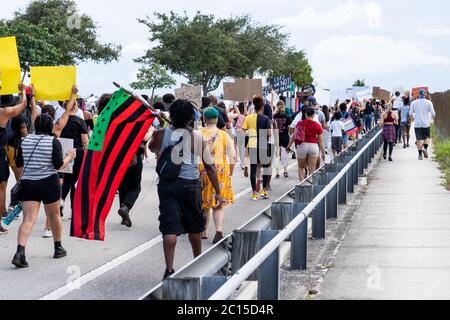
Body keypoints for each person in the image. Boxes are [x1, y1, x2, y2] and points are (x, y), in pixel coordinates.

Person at [149, 99, 225, 279]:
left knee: (169, 227)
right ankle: (197, 262)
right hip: (190, 185)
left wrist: (160, 127)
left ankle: (169, 269)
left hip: (167, 185)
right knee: (194, 226)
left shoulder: (162, 133)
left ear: (171, 115)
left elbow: (152, 148)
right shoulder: (197, 137)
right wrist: (218, 191)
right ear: (191, 116)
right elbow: (210, 166)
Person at [12, 114, 76, 268]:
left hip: (28, 183)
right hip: (49, 183)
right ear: (50, 127)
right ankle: (58, 248)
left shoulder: (25, 140)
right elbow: (58, 165)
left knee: (28, 219)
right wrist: (69, 156)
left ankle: (20, 252)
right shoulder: (53, 142)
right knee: (54, 216)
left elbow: (19, 162)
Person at [199, 107, 235, 244]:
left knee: (204, 202)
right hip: (221, 170)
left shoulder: (199, 133)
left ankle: (204, 231)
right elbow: (233, 156)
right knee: (218, 204)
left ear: (205, 118)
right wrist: (230, 172)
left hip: (203, 169)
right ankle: (219, 230)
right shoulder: (224, 135)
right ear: (217, 119)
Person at [0, 85, 28, 234]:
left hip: (4, 149)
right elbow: (23, 105)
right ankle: (3, 213)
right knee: (2, 185)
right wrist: (23, 91)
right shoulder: (5, 112)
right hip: (4, 150)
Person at [60, 97, 89, 222]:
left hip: (64, 152)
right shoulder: (80, 121)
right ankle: (73, 210)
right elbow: (85, 141)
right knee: (75, 183)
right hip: (77, 153)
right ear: (75, 107)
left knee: (66, 180)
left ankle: (61, 200)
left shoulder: (61, 120)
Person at [242, 96, 272, 201]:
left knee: (253, 169)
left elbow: (243, 130)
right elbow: (269, 133)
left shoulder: (248, 117)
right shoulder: (266, 119)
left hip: (252, 143)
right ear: (262, 107)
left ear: (254, 106)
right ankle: (264, 190)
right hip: (263, 144)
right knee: (266, 167)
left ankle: (254, 193)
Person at [287, 107, 325, 182]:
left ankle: (302, 185)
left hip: (302, 146)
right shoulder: (317, 125)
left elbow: (293, 136)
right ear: (314, 115)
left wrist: (288, 146)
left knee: (301, 167)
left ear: (305, 114)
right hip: (313, 147)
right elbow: (321, 141)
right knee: (312, 169)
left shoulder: (300, 123)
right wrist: (323, 153)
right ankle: (311, 186)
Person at [409, 89, 436, 160]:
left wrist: (413, 119)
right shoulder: (429, 102)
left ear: (418, 94)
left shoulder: (414, 102)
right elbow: (433, 114)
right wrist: (432, 118)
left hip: (417, 123)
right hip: (426, 123)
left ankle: (420, 155)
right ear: (425, 94)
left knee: (419, 139)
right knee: (427, 137)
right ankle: (425, 148)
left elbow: (410, 114)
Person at [273, 101, 292, 178]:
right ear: (283, 107)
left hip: (276, 137)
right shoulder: (287, 116)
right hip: (285, 137)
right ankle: (285, 171)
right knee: (285, 154)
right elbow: (290, 127)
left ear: (277, 106)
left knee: (276, 155)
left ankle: (277, 172)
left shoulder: (274, 116)